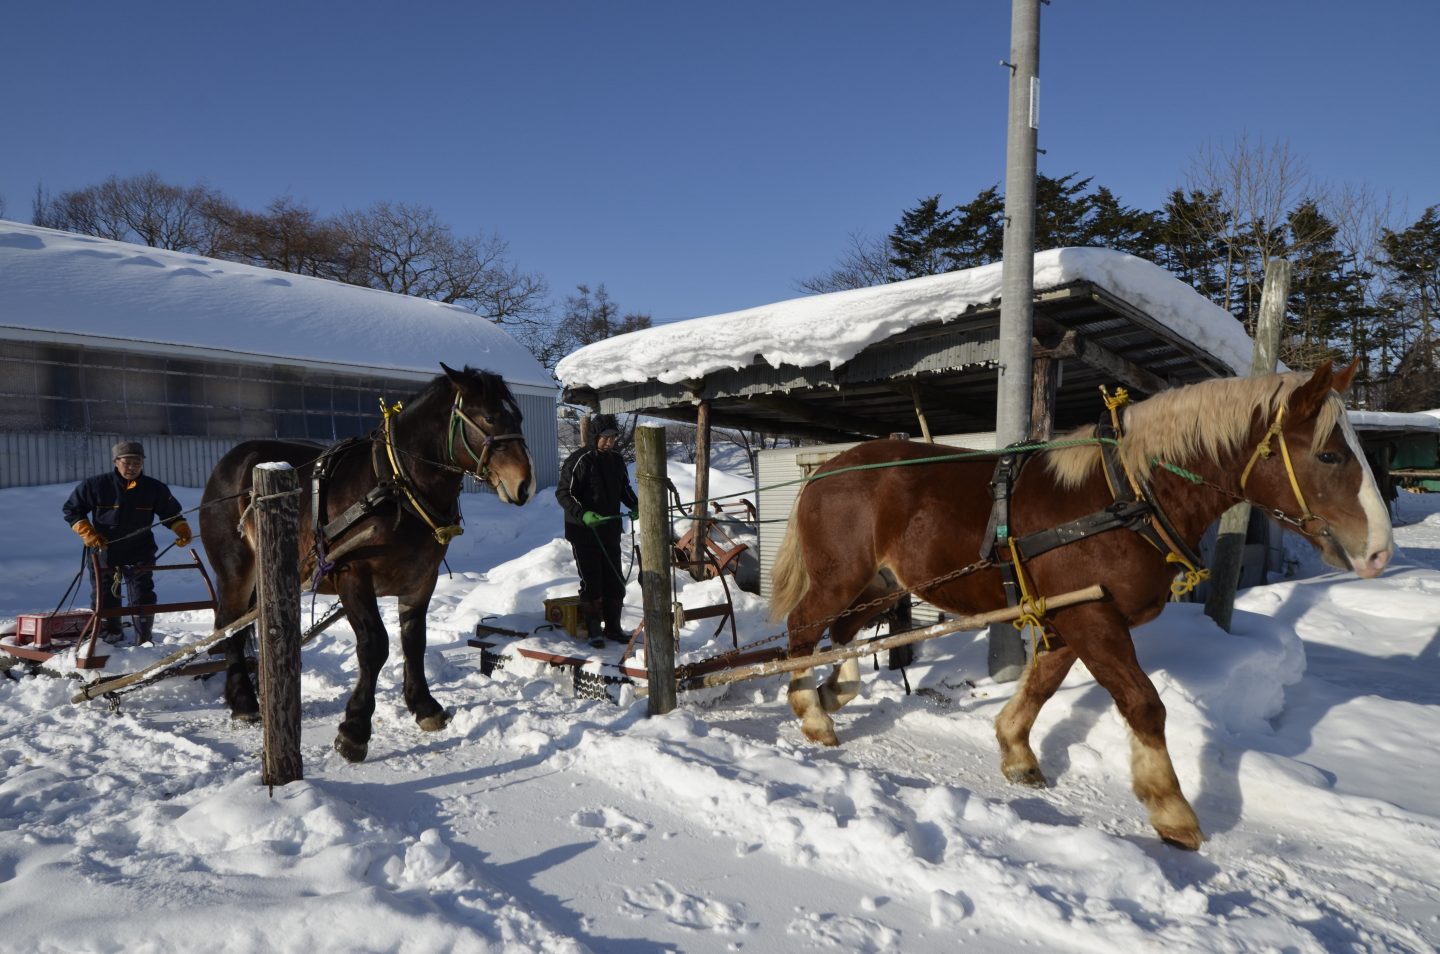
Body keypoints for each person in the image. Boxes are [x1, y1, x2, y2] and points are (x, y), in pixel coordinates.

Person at [62, 441, 191, 644]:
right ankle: (110, 637)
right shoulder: (96, 485)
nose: (132, 468)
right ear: (116, 462)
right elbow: (72, 510)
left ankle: (144, 638)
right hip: (104, 549)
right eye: (127, 462)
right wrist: (88, 533)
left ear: (143, 463)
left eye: (137, 463)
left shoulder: (154, 488)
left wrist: (181, 528)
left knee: (142, 592)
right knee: (105, 594)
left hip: (140, 549)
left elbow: (171, 514)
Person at [556, 414, 638, 648]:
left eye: (613, 438)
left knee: (616, 581)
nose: (610, 442)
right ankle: (594, 630)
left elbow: (624, 488)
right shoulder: (578, 460)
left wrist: (635, 504)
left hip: (610, 531)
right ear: (595, 436)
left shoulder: (617, 461)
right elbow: (564, 493)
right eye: (605, 438)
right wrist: (583, 514)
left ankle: (614, 628)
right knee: (592, 581)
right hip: (584, 533)